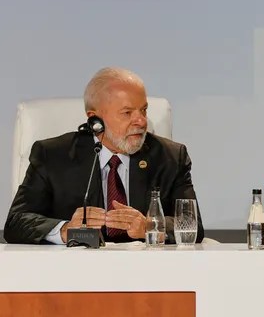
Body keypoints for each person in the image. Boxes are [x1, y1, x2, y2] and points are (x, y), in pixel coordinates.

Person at [4, 67, 205, 244]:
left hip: (145, 269)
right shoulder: (53, 155)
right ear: (95, 120)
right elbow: (16, 221)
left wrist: (150, 226)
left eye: (143, 110)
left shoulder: (170, 157)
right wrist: (65, 229)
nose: (141, 121)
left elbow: (192, 224)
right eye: (127, 113)